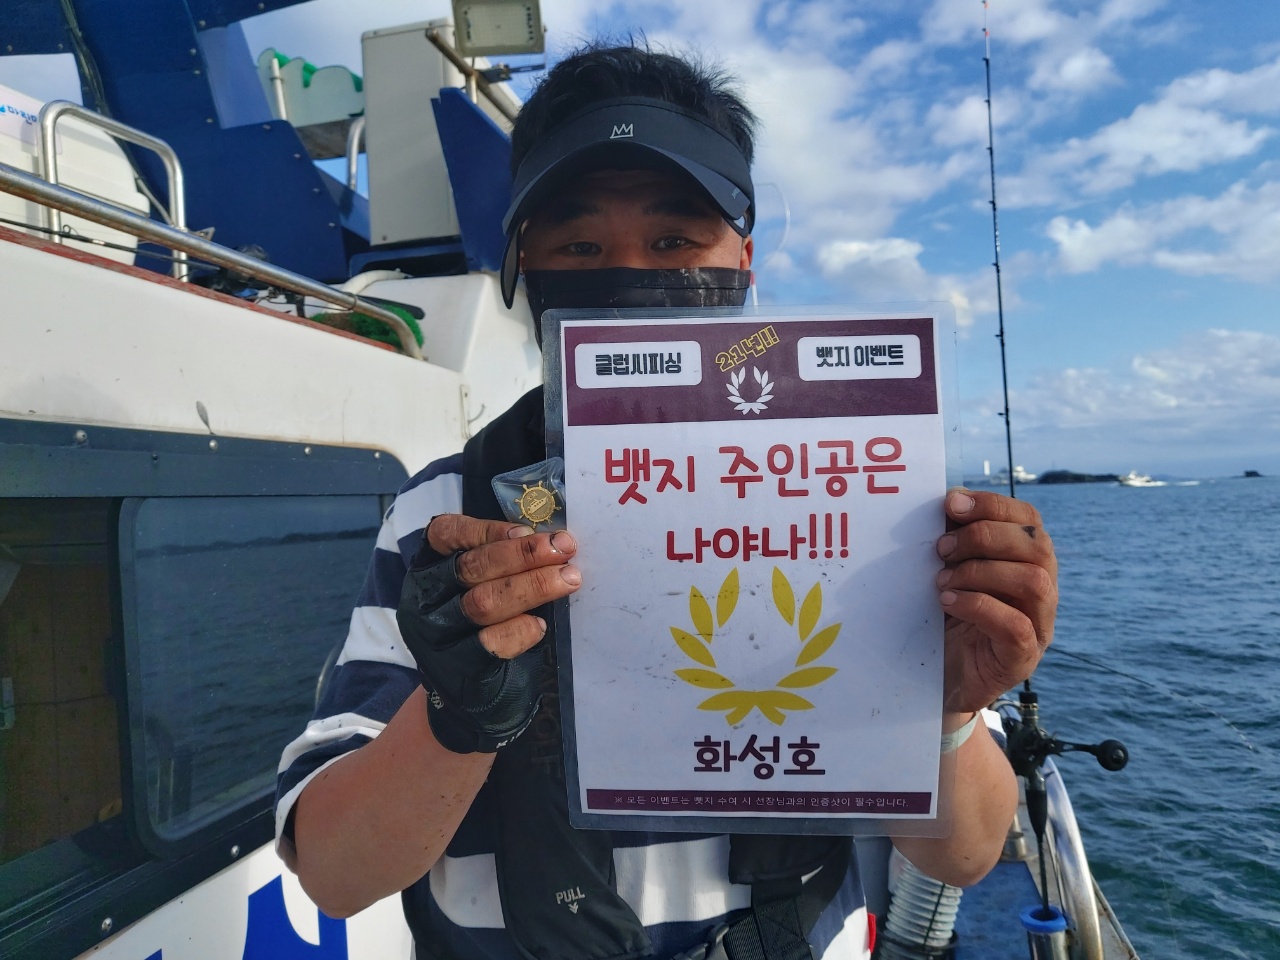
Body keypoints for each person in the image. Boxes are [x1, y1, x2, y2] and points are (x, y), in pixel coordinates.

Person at [274, 43, 1058, 960]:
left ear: (744, 260)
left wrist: (948, 709)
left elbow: (965, 854)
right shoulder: (441, 514)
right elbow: (335, 875)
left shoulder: (864, 503)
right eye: (579, 246)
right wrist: (456, 720)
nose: (628, 273)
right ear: (522, 267)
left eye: (676, 240)